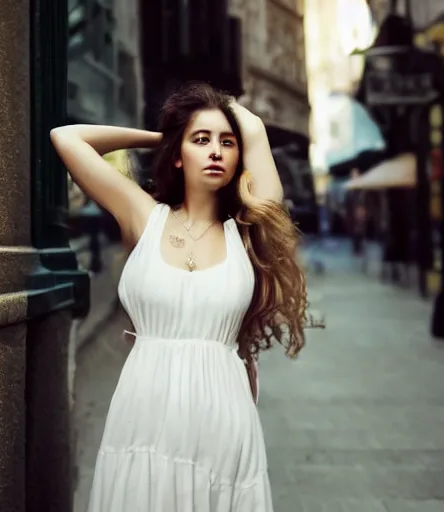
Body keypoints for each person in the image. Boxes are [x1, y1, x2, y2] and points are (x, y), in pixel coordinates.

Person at [51, 83, 308, 511]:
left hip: (223, 414)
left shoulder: (245, 231)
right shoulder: (142, 214)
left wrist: (240, 124)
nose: (214, 151)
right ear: (177, 154)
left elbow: (257, 135)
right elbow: (67, 138)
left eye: (226, 143)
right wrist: (163, 136)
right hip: (144, 411)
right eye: (200, 140)